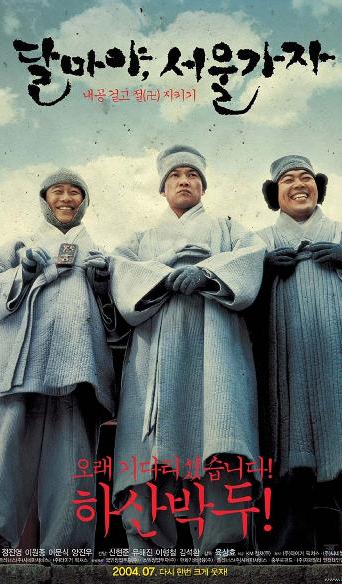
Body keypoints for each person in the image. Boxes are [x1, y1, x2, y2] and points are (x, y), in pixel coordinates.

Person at [105, 145, 266, 558]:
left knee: (220, 436)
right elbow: (120, 269)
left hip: (218, 350)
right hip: (154, 349)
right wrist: (166, 274)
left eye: (193, 175)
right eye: (175, 175)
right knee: (147, 448)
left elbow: (253, 258)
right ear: (163, 187)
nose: (184, 181)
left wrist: (207, 273)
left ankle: (222, 544)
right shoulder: (140, 238)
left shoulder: (230, 229)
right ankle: (145, 544)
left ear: (203, 186)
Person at [0, 169, 114, 559]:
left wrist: (103, 285)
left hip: (76, 369)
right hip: (18, 367)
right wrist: (24, 272)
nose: (66, 198)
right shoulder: (21, 244)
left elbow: (118, 318)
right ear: (44, 199)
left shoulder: (99, 253)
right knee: (2, 458)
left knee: (72, 464)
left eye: (75, 192)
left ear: (85, 201)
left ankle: (66, 552)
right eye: (57, 191)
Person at [254, 154, 342, 560]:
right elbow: (238, 290)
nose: (299, 184)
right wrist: (263, 268)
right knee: (290, 459)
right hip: (287, 358)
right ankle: (289, 560)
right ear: (274, 194)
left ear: (318, 188)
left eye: (306, 177)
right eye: (287, 180)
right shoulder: (258, 241)